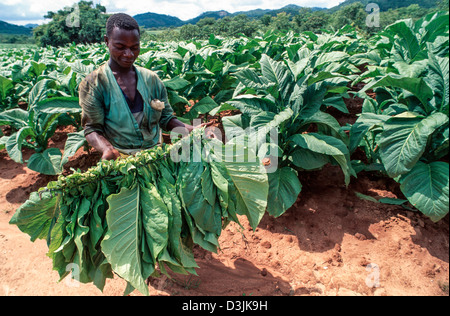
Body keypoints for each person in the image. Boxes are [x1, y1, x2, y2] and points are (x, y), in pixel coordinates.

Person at [79, 13, 202, 160]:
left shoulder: (152, 80)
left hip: (157, 156)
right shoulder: (93, 84)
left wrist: (191, 129)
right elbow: (92, 128)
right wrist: (107, 149)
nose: (129, 54)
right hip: (121, 159)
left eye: (135, 47)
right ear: (107, 41)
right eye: (120, 47)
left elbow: (165, 118)